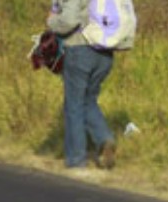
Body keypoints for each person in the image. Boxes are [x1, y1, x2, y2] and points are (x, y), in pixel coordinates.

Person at [47, 0, 117, 169]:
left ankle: (76, 160)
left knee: (74, 105)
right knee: (88, 100)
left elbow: (69, 20)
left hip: (81, 49)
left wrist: (51, 22)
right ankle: (104, 138)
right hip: (105, 53)